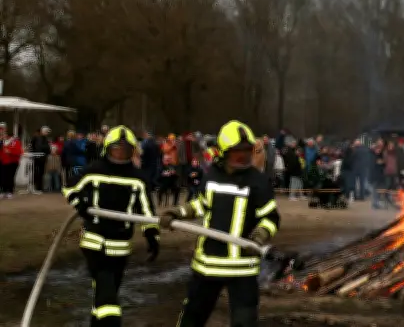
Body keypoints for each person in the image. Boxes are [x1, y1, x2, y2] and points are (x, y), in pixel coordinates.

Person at [159, 120, 280, 327]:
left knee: (245, 322)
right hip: (208, 264)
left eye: (247, 151)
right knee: (192, 318)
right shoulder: (212, 176)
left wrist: (260, 235)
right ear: (223, 152)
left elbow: (270, 218)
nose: (243, 157)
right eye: (237, 152)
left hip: (243, 268)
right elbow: (201, 205)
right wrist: (176, 213)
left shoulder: (258, 182)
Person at [61, 125, 160, 326]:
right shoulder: (95, 170)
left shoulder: (138, 179)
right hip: (94, 243)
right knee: (108, 301)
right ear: (107, 149)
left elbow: (147, 211)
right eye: (116, 149)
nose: (120, 154)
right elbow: (70, 187)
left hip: (121, 247)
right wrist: (81, 204)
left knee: (107, 293)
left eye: (125, 150)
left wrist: (152, 235)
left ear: (132, 151)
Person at [30, 126, 52, 194]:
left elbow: (47, 149)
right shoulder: (37, 138)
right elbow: (36, 147)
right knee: (37, 173)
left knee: (41, 173)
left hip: (42, 158)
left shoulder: (45, 139)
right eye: (46, 132)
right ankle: (37, 187)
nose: (47, 133)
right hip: (38, 158)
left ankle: (39, 187)